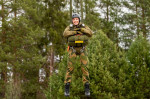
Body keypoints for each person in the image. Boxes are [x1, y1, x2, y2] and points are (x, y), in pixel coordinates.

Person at [63, 13, 93, 97]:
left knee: (85, 68)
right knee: (70, 68)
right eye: (74, 19)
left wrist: (82, 30)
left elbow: (90, 33)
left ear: (79, 20)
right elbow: (65, 34)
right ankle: (67, 88)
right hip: (72, 49)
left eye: (76, 19)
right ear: (72, 20)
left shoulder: (84, 26)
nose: (75, 20)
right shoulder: (69, 27)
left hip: (83, 49)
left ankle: (87, 88)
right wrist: (75, 32)